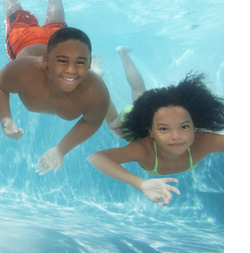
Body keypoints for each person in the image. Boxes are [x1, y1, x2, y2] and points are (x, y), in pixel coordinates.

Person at [0, 0, 110, 174]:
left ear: (88, 63)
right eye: (63, 62)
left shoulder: (97, 94)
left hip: (60, 44)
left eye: (80, 62)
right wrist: (5, 117)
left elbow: (92, 121)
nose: (71, 70)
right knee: (16, 15)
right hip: (24, 41)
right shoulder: (24, 71)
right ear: (46, 60)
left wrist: (61, 149)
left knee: (57, 25)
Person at [87, 73, 224, 206]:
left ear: (194, 125)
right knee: (114, 128)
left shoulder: (203, 142)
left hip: (155, 113)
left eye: (184, 126)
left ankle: (124, 53)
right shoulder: (144, 149)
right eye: (164, 129)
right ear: (150, 132)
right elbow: (96, 157)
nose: (176, 136)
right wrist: (140, 183)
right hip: (132, 119)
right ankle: (99, 82)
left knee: (140, 93)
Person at [103, 46, 148, 138]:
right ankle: (98, 80)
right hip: (139, 122)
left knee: (139, 89)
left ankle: (123, 54)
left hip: (149, 110)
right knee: (113, 127)